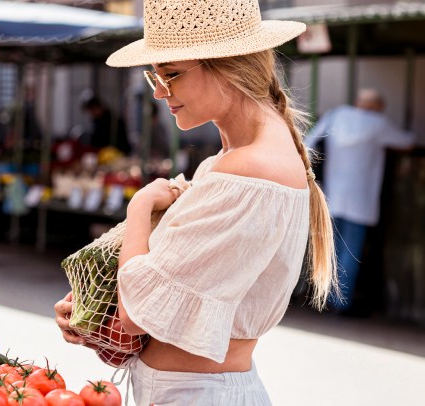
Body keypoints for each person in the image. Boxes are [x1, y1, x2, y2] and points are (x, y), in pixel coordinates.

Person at [54, 0, 338, 404]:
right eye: (155, 75)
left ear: (228, 66)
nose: (158, 91)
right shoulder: (236, 159)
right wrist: (91, 311)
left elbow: (137, 315)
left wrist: (139, 208)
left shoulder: (248, 169)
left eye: (170, 74)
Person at [305, 88, 414, 312]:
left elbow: (309, 141)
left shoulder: (336, 115)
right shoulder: (378, 123)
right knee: (350, 251)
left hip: (333, 195)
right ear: (378, 106)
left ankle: (320, 298)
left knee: (329, 249)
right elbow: (406, 142)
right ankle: (340, 302)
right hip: (360, 199)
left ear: (357, 101)